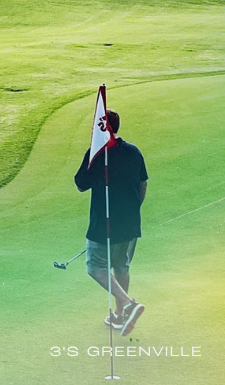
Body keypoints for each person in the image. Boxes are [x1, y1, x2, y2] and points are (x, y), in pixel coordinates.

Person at [74, 109, 147, 336]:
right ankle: (120, 316)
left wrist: (93, 154)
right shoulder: (133, 151)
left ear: (101, 128)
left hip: (103, 224)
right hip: (130, 222)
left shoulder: (97, 154)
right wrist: (133, 209)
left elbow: (80, 184)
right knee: (121, 266)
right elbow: (143, 184)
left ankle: (127, 304)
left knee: (95, 267)